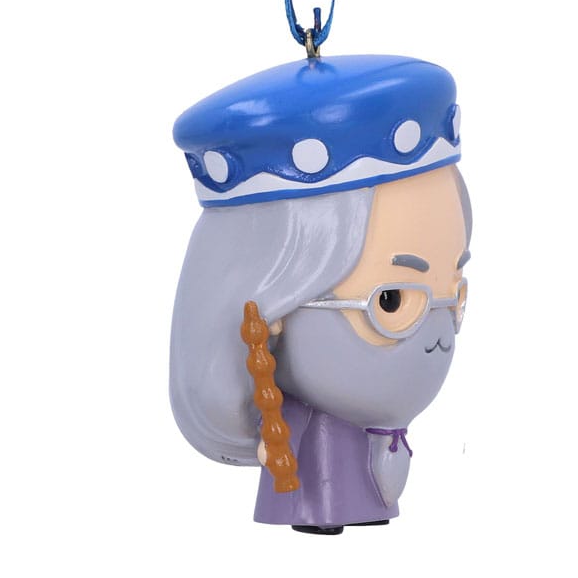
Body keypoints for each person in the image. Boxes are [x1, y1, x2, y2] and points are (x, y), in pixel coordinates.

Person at [170, 55, 471, 533]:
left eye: (454, 295)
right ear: (276, 308)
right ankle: (321, 513)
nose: (438, 336)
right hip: (308, 472)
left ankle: (366, 506)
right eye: (390, 301)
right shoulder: (299, 419)